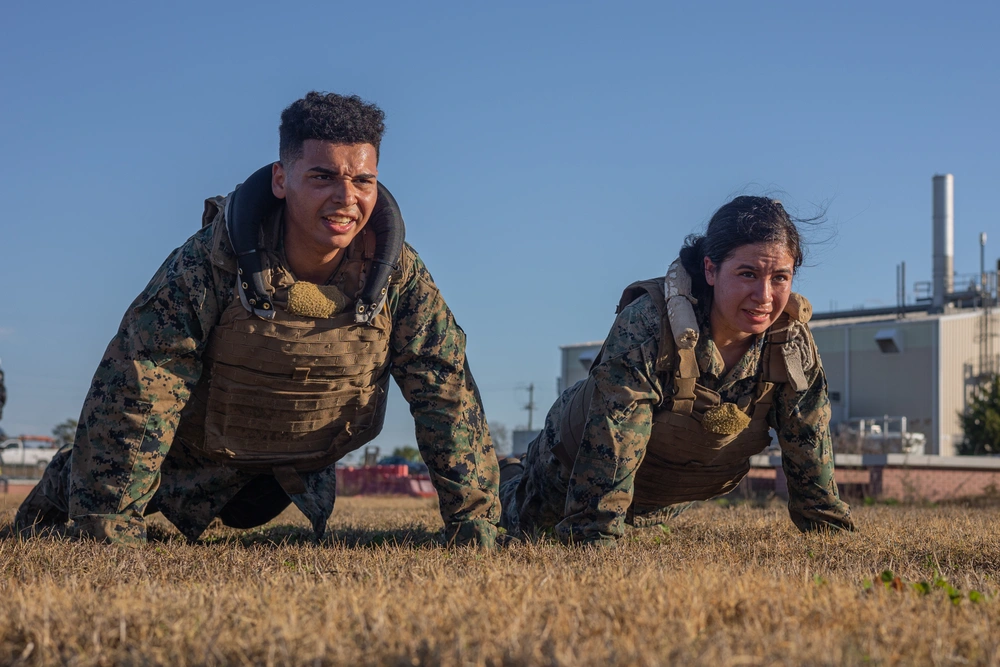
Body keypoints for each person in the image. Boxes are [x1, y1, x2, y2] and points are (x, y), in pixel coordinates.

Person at [15, 92, 500, 546]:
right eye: (322, 176)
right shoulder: (209, 263)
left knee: (248, 511)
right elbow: (142, 381)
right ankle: (70, 477)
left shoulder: (399, 275)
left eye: (363, 180)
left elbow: (445, 389)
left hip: (294, 466)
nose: (346, 197)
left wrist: (472, 521)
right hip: (188, 457)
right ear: (281, 180)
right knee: (70, 510)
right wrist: (109, 519)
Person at [499, 196, 854, 546]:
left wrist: (831, 535)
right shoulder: (650, 323)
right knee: (521, 521)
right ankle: (505, 474)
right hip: (566, 471)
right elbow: (612, 443)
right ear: (710, 270)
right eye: (747, 274)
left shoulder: (790, 343)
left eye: (780, 277)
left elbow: (810, 443)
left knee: (639, 524)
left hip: (662, 496)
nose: (764, 295)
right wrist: (595, 538)